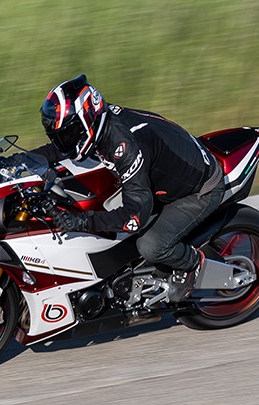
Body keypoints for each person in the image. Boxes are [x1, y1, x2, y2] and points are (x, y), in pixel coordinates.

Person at [18, 73, 225, 303]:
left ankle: (193, 264)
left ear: (87, 121)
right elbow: (58, 150)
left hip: (199, 191)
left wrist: (82, 221)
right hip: (166, 179)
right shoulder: (100, 125)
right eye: (59, 136)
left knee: (151, 246)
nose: (64, 141)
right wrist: (19, 161)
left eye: (68, 133)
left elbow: (134, 216)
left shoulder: (124, 145)